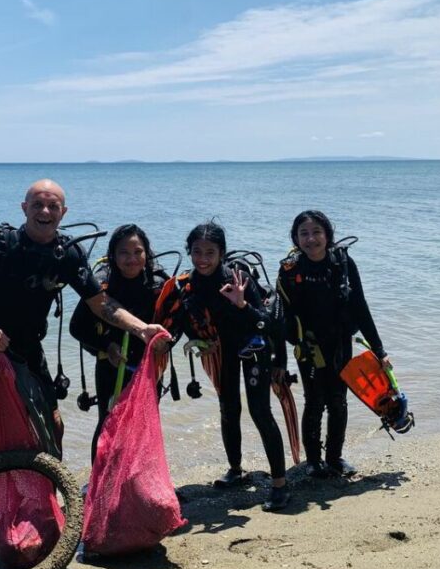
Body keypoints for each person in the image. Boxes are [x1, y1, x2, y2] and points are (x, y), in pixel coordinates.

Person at [0, 180, 166, 542]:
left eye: (53, 206)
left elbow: (100, 304)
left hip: (27, 349)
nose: (45, 212)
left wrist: (141, 329)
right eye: (38, 204)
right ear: (24, 208)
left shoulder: (66, 255)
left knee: (54, 426)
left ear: (63, 213)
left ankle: (45, 503)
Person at [155, 222, 290, 512]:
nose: (202, 259)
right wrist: (186, 341)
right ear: (189, 251)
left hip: (255, 348)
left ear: (222, 253)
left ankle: (280, 484)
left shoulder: (238, 278)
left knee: (260, 412)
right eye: (196, 252)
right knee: (229, 409)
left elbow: (267, 324)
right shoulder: (186, 285)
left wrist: (242, 305)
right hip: (223, 352)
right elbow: (180, 323)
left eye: (210, 252)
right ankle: (236, 470)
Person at [276, 210, 390, 478]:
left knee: (338, 401)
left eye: (317, 232)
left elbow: (361, 307)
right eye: (303, 233)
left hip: (340, 343)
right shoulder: (289, 271)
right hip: (309, 347)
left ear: (328, 235)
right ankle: (314, 461)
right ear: (295, 238)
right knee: (314, 402)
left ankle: (335, 457)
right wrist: (278, 361)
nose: (311, 238)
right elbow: (280, 320)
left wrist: (379, 350)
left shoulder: (343, 263)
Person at [69, 224, 168, 463]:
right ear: (113, 255)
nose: (132, 259)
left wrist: (165, 344)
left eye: (138, 252)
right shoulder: (102, 285)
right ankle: (98, 484)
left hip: (149, 366)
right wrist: (107, 346)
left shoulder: (158, 284)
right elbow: (77, 327)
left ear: (147, 253)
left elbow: (174, 322)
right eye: (124, 252)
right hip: (111, 364)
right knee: (108, 421)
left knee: (145, 422)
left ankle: (140, 480)